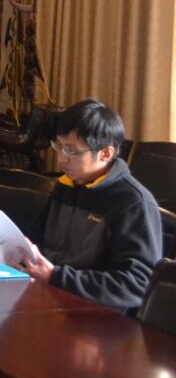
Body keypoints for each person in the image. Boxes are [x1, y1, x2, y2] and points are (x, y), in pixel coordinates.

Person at [18, 99, 162, 314]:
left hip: (99, 317)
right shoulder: (67, 185)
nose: (61, 160)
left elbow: (138, 284)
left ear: (106, 154)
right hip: (51, 299)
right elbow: (36, 239)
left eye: (72, 151)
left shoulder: (133, 203)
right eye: (59, 147)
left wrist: (57, 277)